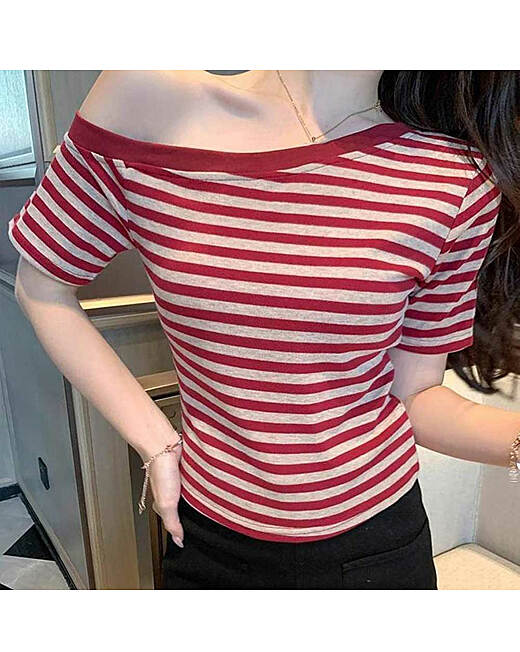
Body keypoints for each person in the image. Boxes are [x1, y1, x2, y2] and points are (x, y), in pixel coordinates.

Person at [7, 70, 520, 590]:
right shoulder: (143, 98)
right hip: (209, 541)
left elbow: (415, 395)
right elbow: (41, 287)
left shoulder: (455, 176)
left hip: (377, 547)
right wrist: (156, 442)